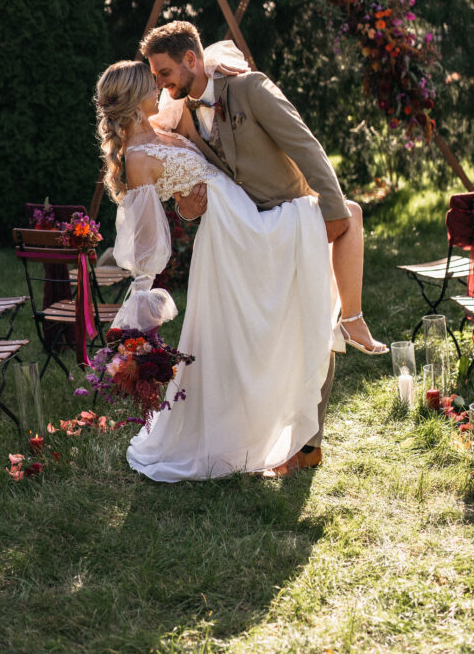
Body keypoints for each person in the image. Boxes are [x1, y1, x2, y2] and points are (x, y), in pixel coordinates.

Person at [140, 21, 387, 475]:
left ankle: (308, 445)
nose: (160, 83)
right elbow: (192, 193)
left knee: (312, 325)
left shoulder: (250, 89)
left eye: (163, 72)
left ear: (191, 60)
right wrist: (189, 208)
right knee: (257, 341)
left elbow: (306, 147)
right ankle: (254, 434)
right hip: (242, 236)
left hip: (291, 218)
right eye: (156, 76)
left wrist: (331, 214)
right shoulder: (183, 113)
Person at [96, 58, 341, 482]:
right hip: (229, 234)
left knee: (264, 320)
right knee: (243, 333)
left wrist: (216, 63)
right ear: (136, 100)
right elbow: (148, 236)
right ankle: (241, 435)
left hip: (242, 215)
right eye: (151, 86)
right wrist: (141, 297)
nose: (160, 89)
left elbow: (194, 65)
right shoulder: (137, 158)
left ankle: (281, 421)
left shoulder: (163, 123)